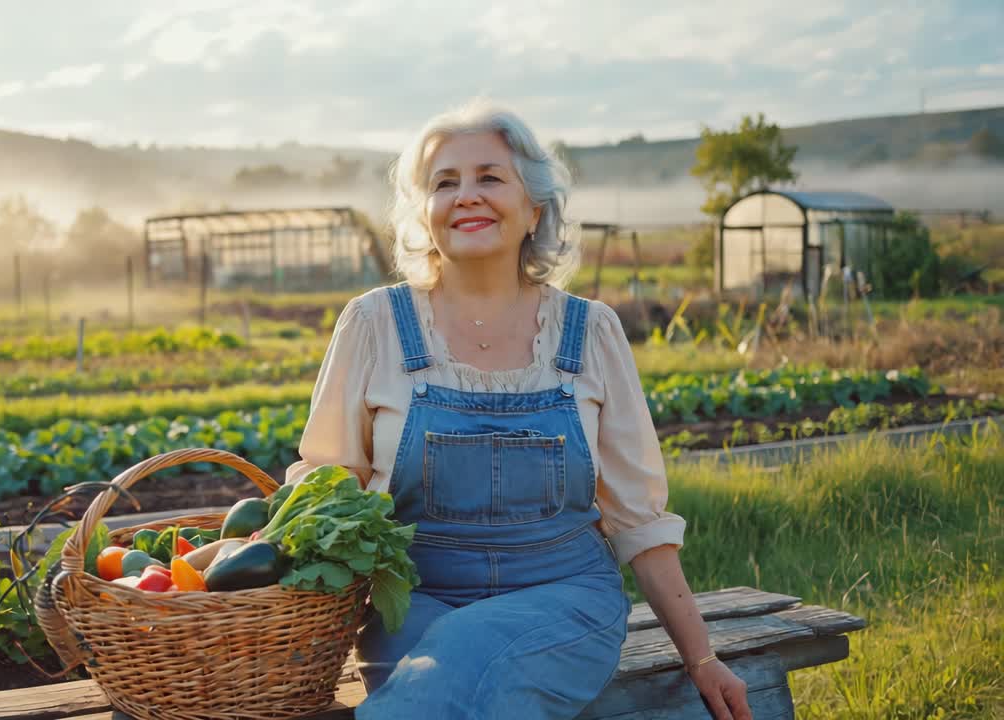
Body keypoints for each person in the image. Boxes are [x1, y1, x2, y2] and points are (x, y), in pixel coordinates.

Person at [284, 100, 751, 720]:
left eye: (489, 178)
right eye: (444, 183)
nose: (466, 196)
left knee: (456, 663)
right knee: (445, 677)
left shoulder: (591, 333)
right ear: (425, 214)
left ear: (534, 208)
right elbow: (329, 484)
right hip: (414, 602)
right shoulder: (374, 325)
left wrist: (701, 657)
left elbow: (639, 522)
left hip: (564, 603)